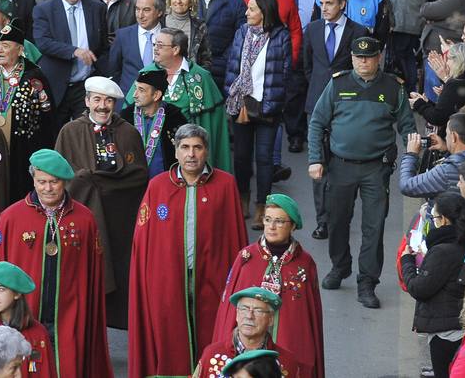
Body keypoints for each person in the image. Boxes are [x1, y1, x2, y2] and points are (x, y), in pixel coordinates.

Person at [128, 124, 245, 378]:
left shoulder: (225, 184)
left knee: (211, 331)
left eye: (197, 148)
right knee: (170, 335)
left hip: (213, 277)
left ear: (206, 152)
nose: (191, 154)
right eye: (185, 147)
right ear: (176, 151)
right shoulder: (157, 186)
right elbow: (143, 241)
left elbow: (236, 237)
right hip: (168, 279)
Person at [307, 35, 414, 309]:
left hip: (375, 168)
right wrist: (315, 160)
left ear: (379, 57)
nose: (363, 62)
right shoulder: (338, 83)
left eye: (368, 57)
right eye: (358, 57)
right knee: (337, 222)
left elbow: (407, 127)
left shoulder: (392, 87)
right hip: (340, 166)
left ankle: (367, 282)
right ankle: (340, 266)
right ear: (352, 58)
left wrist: (412, 163)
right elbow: (317, 123)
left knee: (373, 227)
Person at [0, 149, 110, 378]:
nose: (47, 188)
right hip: (25, 313)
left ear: (63, 182)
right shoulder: (10, 217)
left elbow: (94, 273)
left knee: (66, 367)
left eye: (54, 182)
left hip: (69, 314)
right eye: (41, 181)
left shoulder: (84, 219)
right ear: (33, 180)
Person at [54, 76, 148, 329]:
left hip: (120, 220)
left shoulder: (128, 132)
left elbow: (139, 176)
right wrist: (85, 182)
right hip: (83, 216)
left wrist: (103, 184)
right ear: (87, 101)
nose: (103, 106)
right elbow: (61, 176)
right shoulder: (70, 131)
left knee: (119, 271)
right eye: (97, 99)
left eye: (108, 100)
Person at [211, 194, 325, 377]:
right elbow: (228, 311)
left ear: (293, 225)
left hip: (291, 347)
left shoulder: (305, 263)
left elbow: (310, 316)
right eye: (268, 219)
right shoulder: (246, 258)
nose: (271, 227)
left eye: (279, 221)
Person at [298, 0, 369, 237]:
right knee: (318, 163)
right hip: (316, 104)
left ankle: (341, 214)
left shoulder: (358, 31)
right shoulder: (313, 29)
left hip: (347, 107)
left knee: (342, 164)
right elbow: (307, 66)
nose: (324, 8)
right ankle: (323, 220)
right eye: (321, 3)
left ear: (342, 4)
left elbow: (363, 69)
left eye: (329, 3)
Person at [399, 191, 465, 378]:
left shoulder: (443, 251)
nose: (433, 221)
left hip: (447, 331)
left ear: (445, 220)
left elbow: (419, 288)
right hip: (464, 325)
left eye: (435, 217)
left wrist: (406, 260)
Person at [223, 0, 293, 228]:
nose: (246, 13)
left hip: (267, 106)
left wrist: (274, 104)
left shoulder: (280, 35)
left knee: (264, 160)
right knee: (241, 158)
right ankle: (242, 199)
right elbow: (233, 63)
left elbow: (284, 73)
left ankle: (262, 206)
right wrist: (234, 96)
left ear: (264, 12)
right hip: (241, 104)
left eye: (251, 9)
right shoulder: (242, 32)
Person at [0, 23, 52, 203]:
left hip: (21, 150)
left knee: (16, 193)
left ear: (20, 49)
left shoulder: (34, 76)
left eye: (6, 46)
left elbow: (46, 119)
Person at [32, 0, 109, 126]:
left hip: (85, 85)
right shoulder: (44, 10)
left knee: (86, 132)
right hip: (57, 85)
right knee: (56, 133)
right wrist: (75, 51)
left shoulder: (97, 8)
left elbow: (103, 46)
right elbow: (43, 43)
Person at [152, 28, 232, 173]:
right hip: (157, 155)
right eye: (155, 45)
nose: (155, 49)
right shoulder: (147, 73)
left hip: (190, 153)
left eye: (160, 45)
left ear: (175, 49)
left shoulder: (201, 77)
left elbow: (213, 125)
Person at [194, 287, 302, 378]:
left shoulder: (287, 362)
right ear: (237, 315)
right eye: (244, 309)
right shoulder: (211, 355)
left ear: (271, 319)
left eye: (258, 310)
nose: (249, 316)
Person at [121, 64, 188, 177]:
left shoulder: (175, 119)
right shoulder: (126, 117)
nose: (134, 95)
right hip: (132, 184)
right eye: (135, 88)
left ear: (156, 95)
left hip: (165, 185)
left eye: (141, 90)